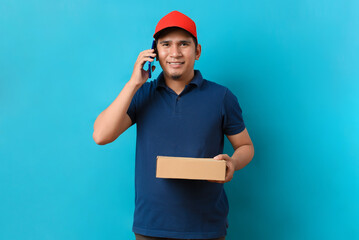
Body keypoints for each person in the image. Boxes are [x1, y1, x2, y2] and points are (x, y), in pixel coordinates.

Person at [93, 11, 254, 240]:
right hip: (152, 227)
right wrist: (133, 84)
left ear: (197, 51)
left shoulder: (221, 97)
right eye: (166, 44)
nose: (175, 53)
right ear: (155, 53)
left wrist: (233, 163)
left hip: (206, 227)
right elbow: (101, 135)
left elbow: (246, 146)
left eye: (184, 44)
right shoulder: (141, 95)